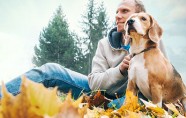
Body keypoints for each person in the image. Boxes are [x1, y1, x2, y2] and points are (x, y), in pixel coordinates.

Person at [0, 0, 167, 107]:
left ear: (140, 17)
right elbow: (94, 82)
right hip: (100, 91)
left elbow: (163, 82)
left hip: (133, 98)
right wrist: (120, 71)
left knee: (124, 104)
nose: (117, 16)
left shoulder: (153, 42)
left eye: (124, 11)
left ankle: (106, 108)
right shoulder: (104, 44)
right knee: (51, 70)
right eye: (117, 12)